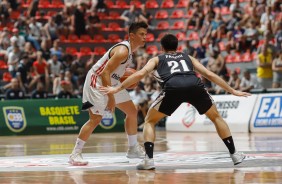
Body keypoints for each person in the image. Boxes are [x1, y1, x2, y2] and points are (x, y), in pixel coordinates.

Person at [100, 34, 251, 170]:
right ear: (177, 46)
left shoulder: (157, 59)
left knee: (149, 121)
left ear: (162, 48)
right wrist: (233, 91)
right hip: (194, 85)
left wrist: (117, 88)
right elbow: (208, 74)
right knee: (216, 117)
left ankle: (149, 160)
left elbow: (140, 74)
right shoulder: (188, 57)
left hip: (173, 87)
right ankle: (235, 154)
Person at [68, 22, 148, 166]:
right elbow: (105, 72)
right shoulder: (123, 51)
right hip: (97, 80)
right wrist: (111, 98)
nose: (145, 37)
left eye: (145, 34)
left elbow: (112, 74)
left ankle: (133, 148)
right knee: (96, 118)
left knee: (131, 111)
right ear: (131, 36)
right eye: (141, 34)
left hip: (111, 82)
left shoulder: (130, 53)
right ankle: (75, 154)